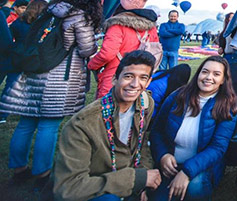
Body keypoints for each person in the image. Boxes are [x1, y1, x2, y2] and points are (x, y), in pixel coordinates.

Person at [0, 0, 102, 188]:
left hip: (35, 70)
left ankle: (18, 170)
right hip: (59, 77)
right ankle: (42, 173)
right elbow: (86, 50)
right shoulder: (80, 17)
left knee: (26, 123)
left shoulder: (52, 10)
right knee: (49, 125)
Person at [51, 50, 161, 201]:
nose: (135, 84)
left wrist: (143, 178)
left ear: (148, 82)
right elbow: (68, 188)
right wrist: (136, 179)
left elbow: (142, 145)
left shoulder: (146, 104)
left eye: (143, 78)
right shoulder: (83, 124)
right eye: (128, 76)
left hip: (127, 178)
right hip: (95, 188)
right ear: (115, 79)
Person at [150, 56, 237, 201]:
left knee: (195, 186)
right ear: (198, 74)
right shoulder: (177, 96)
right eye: (205, 72)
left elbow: (218, 147)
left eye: (216, 74)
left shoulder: (227, 107)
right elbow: (157, 131)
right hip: (170, 164)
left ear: (223, 80)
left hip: (202, 168)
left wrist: (187, 171)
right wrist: (163, 155)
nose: (208, 77)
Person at [88, 0, 159, 99]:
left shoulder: (117, 25)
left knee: (107, 110)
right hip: (140, 76)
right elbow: (156, 51)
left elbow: (108, 53)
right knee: (132, 108)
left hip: (115, 74)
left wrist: (92, 64)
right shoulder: (151, 28)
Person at [0, 0, 49, 122]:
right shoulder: (40, 24)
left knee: (11, 84)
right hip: (32, 56)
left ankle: (3, 113)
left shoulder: (19, 21)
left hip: (15, 54)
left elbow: (9, 37)